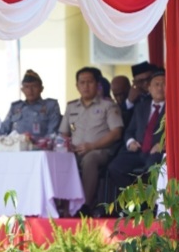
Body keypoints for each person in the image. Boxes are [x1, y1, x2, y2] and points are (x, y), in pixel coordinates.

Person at [59, 67, 123, 216]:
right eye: (82, 82)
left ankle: (85, 206)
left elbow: (116, 133)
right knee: (59, 159)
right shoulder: (71, 107)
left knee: (90, 159)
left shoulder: (108, 105)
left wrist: (92, 146)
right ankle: (62, 206)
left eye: (90, 82)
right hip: (75, 151)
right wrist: (67, 145)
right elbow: (64, 133)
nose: (86, 86)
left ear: (97, 84)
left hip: (100, 150)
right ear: (77, 86)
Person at [107, 69, 167, 199]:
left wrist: (163, 144)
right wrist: (130, 142)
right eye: (156, 84)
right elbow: (129, 131)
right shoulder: (141, 107)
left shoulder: (175, 108)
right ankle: (136, 201)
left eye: (164, 84)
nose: (160, 88)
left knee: (151, 169)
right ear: (149, 88)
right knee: (115, 167)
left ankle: (152, 205)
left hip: (157, 152)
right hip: (137, 150)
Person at [0, 69, 61, 139]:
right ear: (22, 90)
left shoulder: (50, 106)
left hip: (41, 148)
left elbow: (52, 133)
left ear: (41, 88)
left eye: (34, 86)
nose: (30, 90)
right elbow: (3, 130)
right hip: (17, 147)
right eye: (27, 87)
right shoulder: (15, 107)